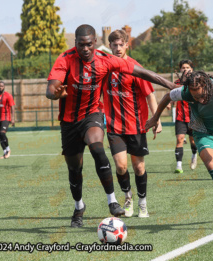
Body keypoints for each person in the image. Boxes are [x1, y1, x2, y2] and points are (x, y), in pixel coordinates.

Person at [46, 24, 176, 228]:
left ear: (95, 43)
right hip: (69, 121)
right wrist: (56, 93)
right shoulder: (65, 59)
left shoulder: (106, 60)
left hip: (92, 114)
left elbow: (143, 74)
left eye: (89, 44)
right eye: (81, 45)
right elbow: (51, 88)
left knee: (97, 147)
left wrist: (171, 86)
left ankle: (113, 201)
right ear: (76, 44)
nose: (86, 49)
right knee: (74, 169)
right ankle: (79, 206)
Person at [146, 71, 213, 226]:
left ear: (207, 86)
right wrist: (155, 118)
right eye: (196, 98)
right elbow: (167, 97)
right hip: (203, 132)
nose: (200, 100)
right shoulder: (186, 92)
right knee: (211, 165)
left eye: (202, 95)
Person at [103, 29, 162, 218]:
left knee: (139, 167)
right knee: (120, 166)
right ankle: (128, 198)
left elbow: (150, 95)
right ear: (110, 46)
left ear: (127, 45)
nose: (118, 48)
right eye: (114, 45)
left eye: (121, 45)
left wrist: (156, 119)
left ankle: (143, 202)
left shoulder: (136, 68)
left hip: (136, 126)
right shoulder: (105, 67)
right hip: (114, 127)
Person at [171, 60, 198, 173]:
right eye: (183, 67)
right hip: (180, 117)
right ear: (180, 70)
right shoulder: (177, 82)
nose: (185, 69)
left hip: (194, 117)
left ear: (192, 69)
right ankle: (179, 166)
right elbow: (171, 95)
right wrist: (169, 103)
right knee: (179, 139)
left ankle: (194, 154)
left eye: (188, 67)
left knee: (193, 141)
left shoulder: (197, 81)